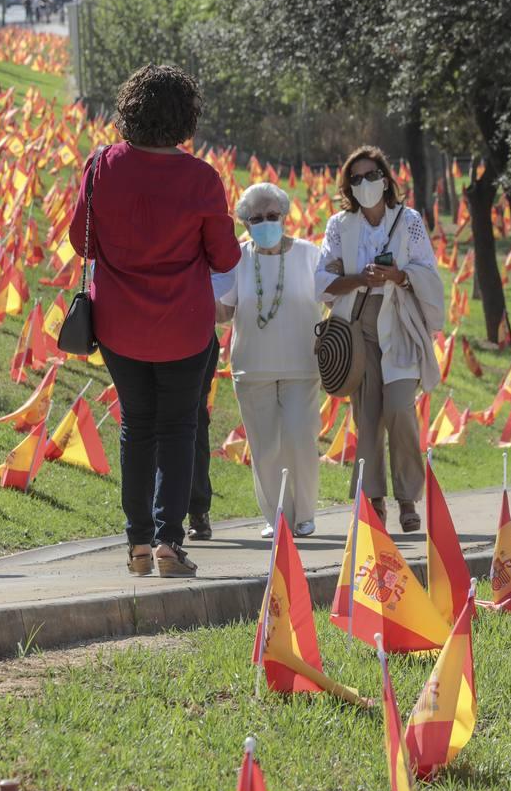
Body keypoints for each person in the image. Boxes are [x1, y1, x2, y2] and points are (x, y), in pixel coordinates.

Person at [67, 64, 239, 579]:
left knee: (136, 425)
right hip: (184, 324)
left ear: (130, 111)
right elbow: (226, 257)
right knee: (179, 427)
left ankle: (137, 543)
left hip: (120, 324)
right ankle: (169, 542)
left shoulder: (101, 167)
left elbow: (82, 242)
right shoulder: (203, 179)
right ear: (186, 117)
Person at [316, 146, 443, 533]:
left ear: (386, 180)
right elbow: (323, 279)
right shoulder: (340, 225)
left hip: (400, 323)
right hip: (357, 329)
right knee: (367, 417)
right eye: (356, 179)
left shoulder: (409, 221)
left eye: (371, 176)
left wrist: (397, 276)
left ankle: (407, 498)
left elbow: (428, 272)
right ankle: (373, 502)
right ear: (347, 186)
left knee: (401, 409)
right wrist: (359, 279)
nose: (364, 184)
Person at [217, 182, 322, 539]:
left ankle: (305, 513)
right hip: (252, 367)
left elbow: (333, 298)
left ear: (285, 216)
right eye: (256, 218)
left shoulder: (310, 254)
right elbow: (223, 310)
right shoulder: (236, 258)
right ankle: (276, 516)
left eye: (272, 216)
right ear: (245, 223)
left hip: (302, 366)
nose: (265, 222)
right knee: (264, 448)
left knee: (300, 438)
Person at [186, 331, 219, 542]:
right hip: (148, 334)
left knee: (195, 423)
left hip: (195, 333)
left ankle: (198, 511)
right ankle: (148, 519)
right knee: (146, 426)